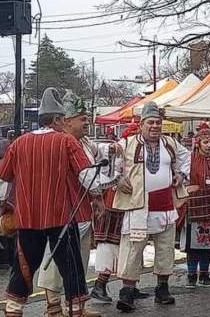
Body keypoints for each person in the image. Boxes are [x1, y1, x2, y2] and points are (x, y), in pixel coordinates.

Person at [0, 87, 103, 317]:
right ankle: (74, 310)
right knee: (70, 267)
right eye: (62, 119)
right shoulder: (66, 142)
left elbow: (2, 180)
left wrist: (1, 204)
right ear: (56, 119)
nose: (64, 123)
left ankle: (13, 310)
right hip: (61, 217)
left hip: (27, 218)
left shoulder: (19, 143)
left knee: (23, 267)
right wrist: (97, 192)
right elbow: (86, 175)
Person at [37, 91, 112, 317]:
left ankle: (76, 306)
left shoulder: (87, 145)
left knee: (79, 261)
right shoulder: (56, 144)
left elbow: (94, 171)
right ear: (67, 121)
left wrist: (98, 199)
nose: (87, 123)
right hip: (60, 213)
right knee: (54, 260)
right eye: (82, 119)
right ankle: (53, 308)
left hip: (82, 212)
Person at [112, 102, 190, 312]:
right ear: (141, 124)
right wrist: (118, 179)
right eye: (150, 122)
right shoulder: (127, 143)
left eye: (158, 122)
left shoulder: (170, 144)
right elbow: (111, 160)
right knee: (133, 248)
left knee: (165, 249)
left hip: (164, 205)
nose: (155, 126)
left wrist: (181, 175)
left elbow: (186, 157)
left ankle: (162, 289)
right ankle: (127, 292)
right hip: (138, 205)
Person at [90, 125, 148, 303]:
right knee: (109, 245)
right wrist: (117, 180)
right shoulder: (117, 156)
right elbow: (109, 175)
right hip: (113, 207)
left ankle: (130, 285)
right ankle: (99, 285)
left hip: (130, 205)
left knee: (133, 245)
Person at [179, 122, 210, 288]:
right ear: (198, 143)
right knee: (193, 244)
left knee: (208, 242)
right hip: (194, 205)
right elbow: (181, 176)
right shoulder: (189, 160)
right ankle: (191, 275)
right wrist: (187, 186)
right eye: (205, 142)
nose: (209, 145)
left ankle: (204, 275)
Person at [0, 139, 14, 271]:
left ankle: (3, 260)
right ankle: (11, 259)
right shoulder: (14, 162)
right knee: (11, 232)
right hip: (14, 204)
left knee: (1, 231)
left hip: (0, 206)